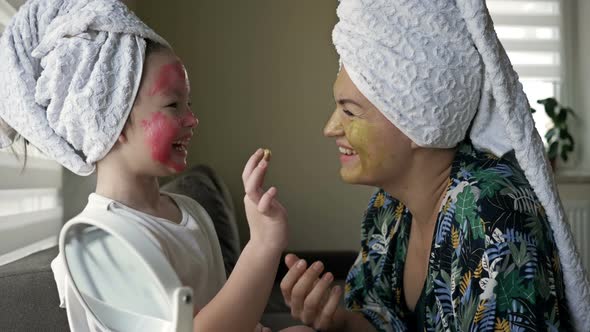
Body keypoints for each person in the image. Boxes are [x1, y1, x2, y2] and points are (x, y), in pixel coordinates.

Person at [0, 1, 312, 331]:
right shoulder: (94, 241)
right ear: (112, 122)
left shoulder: (191, 211)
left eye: (188, 104)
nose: (192, 119)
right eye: (172, 105)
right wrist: (262, 244)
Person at [279, 1, 590, 331]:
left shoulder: (494, 213)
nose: (330, 128)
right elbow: (381, 320)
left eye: (350, 111)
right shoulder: (388, 209)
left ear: (415, 121)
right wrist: (336, 321)